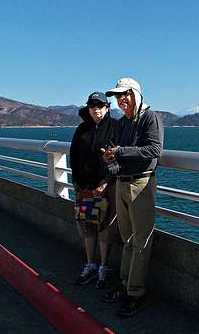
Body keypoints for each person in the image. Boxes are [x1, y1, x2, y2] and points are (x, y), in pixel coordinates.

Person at [101, 78, 164, 317]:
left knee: (141, 242)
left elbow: (154, 150)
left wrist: (121, 152)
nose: (121, 99)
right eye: (118, 96)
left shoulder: (150, 117)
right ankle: (126, 285)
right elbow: (117, 150)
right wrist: (109, 157)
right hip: (122, 184)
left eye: (125, 94)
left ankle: (135, 294)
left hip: (142, 184)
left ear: (136, 94)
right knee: (126, 238)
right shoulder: (121, 123)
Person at [70, 92, 120, 289]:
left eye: (100, 105)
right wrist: (75, 184)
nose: (96, 109)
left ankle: (104, 268)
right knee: (86, 224)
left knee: (105, 226)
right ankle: (90, 265)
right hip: (84, 186)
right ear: (88, 108)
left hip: (107, 186)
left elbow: (118, 157)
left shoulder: (115, 127)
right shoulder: (82, 129)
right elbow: (73, 157)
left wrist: (105, 181)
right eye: (92, 105)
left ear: (107, 107)